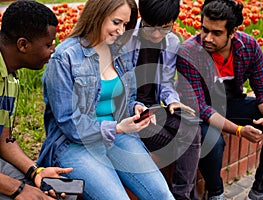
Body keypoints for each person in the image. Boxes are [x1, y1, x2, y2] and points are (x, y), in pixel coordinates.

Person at [36, 0, 175, 199]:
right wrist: (117, 128)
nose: (121, 31)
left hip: (119, 138)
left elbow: (128, 100)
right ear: (97, 15)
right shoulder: (65, 57)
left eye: (126, 25)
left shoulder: (120, 52)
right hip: (75, 144)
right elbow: (69, 123)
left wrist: (136, 108)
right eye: (116, 22)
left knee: (162, 195)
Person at [176, 0, 263, 199]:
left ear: (232, 32)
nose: (208, 38)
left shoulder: (248, 46)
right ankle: (215, 193)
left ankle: (261, 191)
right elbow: (201, 107)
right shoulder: (189, 52)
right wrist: (239, 130)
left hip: (232, 103)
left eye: (217, 33)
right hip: (198, 112)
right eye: (205, 30)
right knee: (212, 139)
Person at [125, 0, 201, 199]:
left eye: (165, 28)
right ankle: (187, 195)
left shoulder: (172, 41)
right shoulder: (126, 38)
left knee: (192, 128)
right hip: (129, 110)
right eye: (151, 28)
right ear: (142, 17)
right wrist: (138, 107)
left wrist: (172, 101)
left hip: (154, 107)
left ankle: (181, 194)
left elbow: (166, 82)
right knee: (181, 144)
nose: (157, 35)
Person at [0, 1, 74, 199]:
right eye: (49, 45)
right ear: (23, 44)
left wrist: (36, 172)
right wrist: (19, 190)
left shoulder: (9, 75)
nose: (53, 51)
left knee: (54, 193)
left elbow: (3, 140)